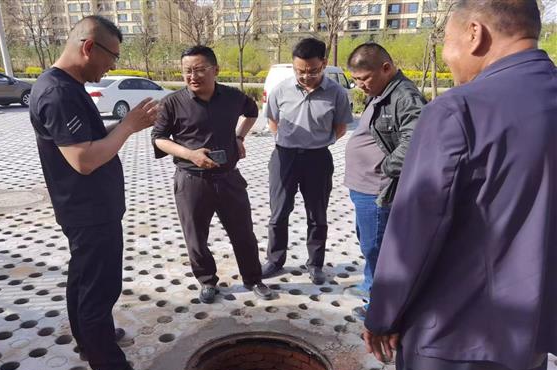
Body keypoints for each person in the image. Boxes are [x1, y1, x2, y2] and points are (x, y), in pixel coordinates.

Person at [363, 1, 557, 370]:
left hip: (452, 339)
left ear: (474, 34)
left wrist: (383, 315)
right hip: (534, 337)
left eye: (447, 42)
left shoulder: (459, 110)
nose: (448, 58)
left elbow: (415, 232)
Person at [29, 16, 166, 370]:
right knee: (99, 290)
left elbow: (86, 142)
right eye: (112, 57)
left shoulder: (65, 86)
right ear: (89, 47)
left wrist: (123, 128)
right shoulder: (58, 93)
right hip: (89, 211)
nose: (112, 66)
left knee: (83, 280)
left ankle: (90, 340)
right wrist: (128, 126)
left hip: (84, 208)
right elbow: (84, 160)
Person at [152, 45, 273, 304]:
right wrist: (190, 154)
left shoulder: (232, 97)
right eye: (187, 71)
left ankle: (253, 278)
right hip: (191, 180)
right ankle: (207, 281)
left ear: (215, 70)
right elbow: (159, 138)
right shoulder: (172, 103)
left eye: (199, 70)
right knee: (196, 237)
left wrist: (239, 137)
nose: (192, 76)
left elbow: (252, 112)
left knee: (243, 233)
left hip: (229, 178)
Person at [261, 38, 354, 284]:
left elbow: (341, 127)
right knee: (279, 212)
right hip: (284, 157)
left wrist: (317, 141)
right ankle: (275, 260)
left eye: (312, 71)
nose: (305, 76)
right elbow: (272, 121)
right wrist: (287, 140)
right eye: (299, 70)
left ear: (323, 63)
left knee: (317, 214)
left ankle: (315, 263)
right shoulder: (281, 89)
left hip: (318, 159)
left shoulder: (336, 93)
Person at [344, 43, 425, 318]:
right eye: (355, 79)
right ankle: (371, 288)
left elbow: (416, 139)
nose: (359, 85)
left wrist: (386, 167)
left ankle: (380, 309)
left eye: (364, 78)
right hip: (364, 187)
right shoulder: (382, 92)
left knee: (377, 250)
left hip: (378, 189)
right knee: (369, 244)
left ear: (386, 68)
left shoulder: (404, 96)